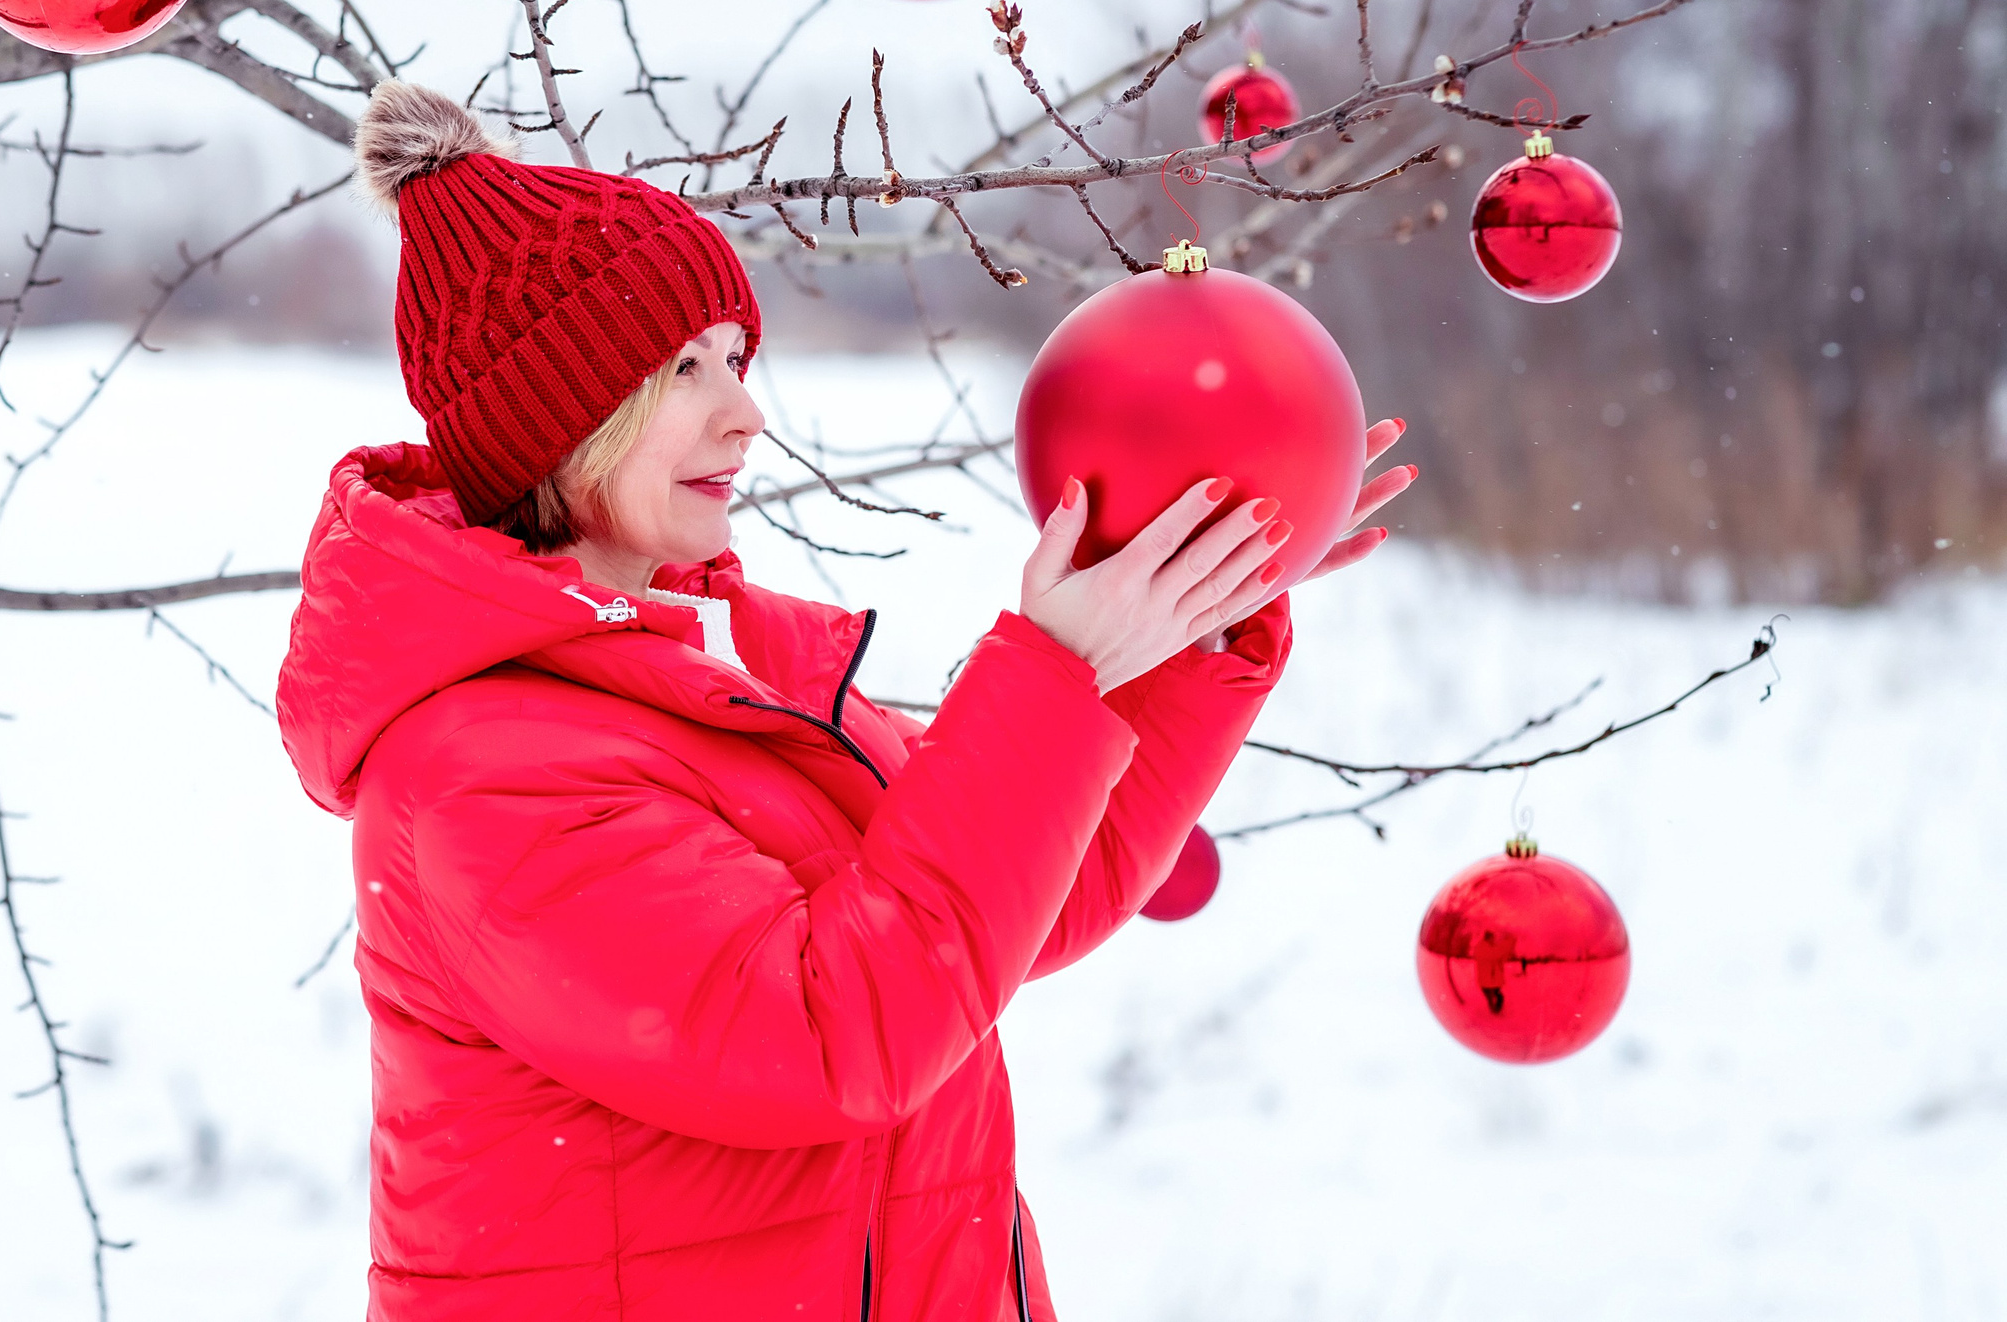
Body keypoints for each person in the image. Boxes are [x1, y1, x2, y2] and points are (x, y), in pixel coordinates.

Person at [276, 82, 1412, 1321]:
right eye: (682, 368)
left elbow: (1010, 908)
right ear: (560, 423)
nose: (745, 410)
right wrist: (1052, 669)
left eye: (737, 357)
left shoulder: (729, 671)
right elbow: (836, 1031)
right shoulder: (480, 771)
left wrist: (1187, 622)